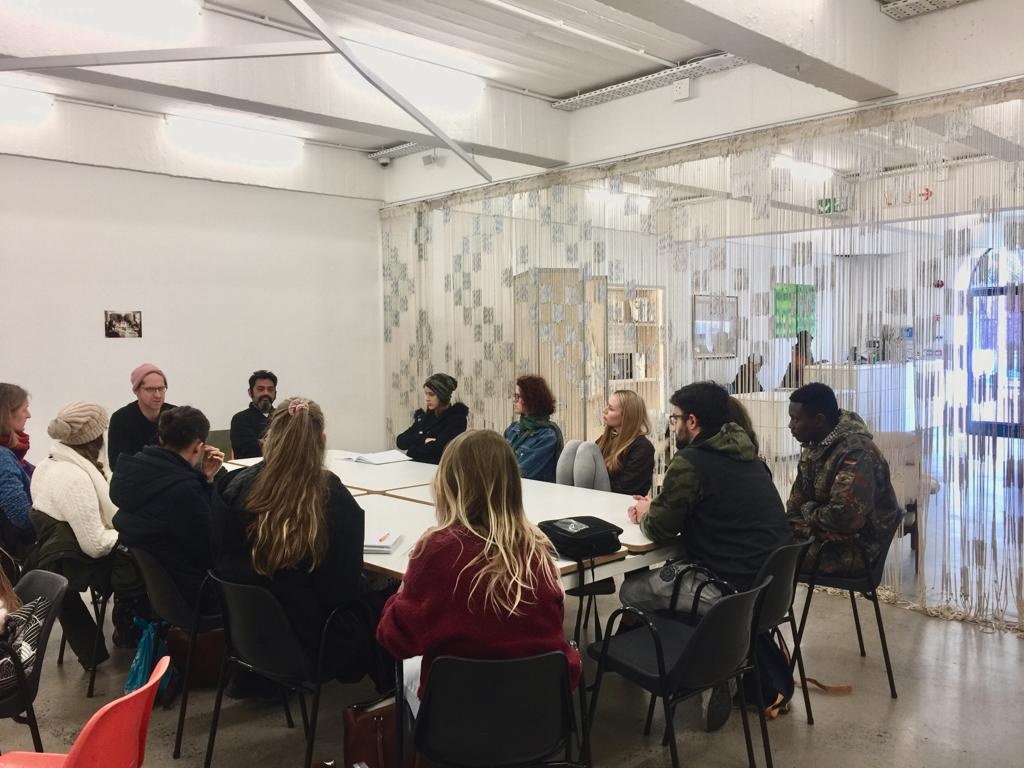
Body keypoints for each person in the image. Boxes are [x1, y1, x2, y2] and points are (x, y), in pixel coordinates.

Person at [376, 430, 580, 715]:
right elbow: (553, 621)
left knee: (407, 671)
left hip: (460, 716)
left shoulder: (437, 551)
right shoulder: (538, 551)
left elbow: (395, 640)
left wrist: (408, 575)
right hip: (540, 711)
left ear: (448, 484)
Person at [211, 397, 394, 691]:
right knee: (390, 602)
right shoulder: (328, 496)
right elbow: (343, 589)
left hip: (249, 634)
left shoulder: (232, 486)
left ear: (270, 437)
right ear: (321, 440)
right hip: (312, 639)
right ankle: (392, 706)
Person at [621, 382, 792, 614]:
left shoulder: (691, 461)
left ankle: (668, 645)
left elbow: (658, 528)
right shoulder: (750, 457)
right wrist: (659, 505)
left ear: (691, 421)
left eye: (675, 419)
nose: (673, 427)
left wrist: (645, 513)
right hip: (772, 588)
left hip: (727, 590)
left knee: (630, 590)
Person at [28, 402, 148, 668]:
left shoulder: (48, 465)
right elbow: (95, 544)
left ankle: (132, 628)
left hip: (63, 557)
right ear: (95, 436)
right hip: (83, 565)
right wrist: (128, 533)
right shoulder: (74, 478)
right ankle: (144, 636)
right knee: (157, 557)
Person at [112, 406, 224, 611]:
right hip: (195, 594)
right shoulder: (182, 491)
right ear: (199, 447)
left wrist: (206, 479)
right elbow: (213, 549)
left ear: (161, 439)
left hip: (160, 592)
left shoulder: (133, 471)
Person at [786, 383, 901, 575]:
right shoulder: (814, 448)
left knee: (768, 557)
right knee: (763, 544)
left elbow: (843, 518)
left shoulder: (856, 452)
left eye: (796, 419)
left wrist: (809, 511)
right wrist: (817, 529)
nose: (791, 425)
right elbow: (793, 508)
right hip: (823, 539)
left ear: (818, 420)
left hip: (858, 549)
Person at [557, 390, 655, 496]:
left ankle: (580, 501)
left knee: (587, 448)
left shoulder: (643, 447)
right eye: (607, 406)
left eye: (611, 409)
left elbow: (626, 489)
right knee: (572, 445)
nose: (604, 411)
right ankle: (564, 497)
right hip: (598, 495)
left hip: (618, 500)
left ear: (627, 416)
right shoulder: (607, 437)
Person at [108, 363, 175, 471]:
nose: (157, 395)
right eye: (150, 389)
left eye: (161, 388)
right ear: (136, 391)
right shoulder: (121, 419)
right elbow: (117, 464)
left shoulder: (176, 415)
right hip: (138, 481)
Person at [395, 373, 469, 465]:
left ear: (442, 395)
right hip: (414, 467)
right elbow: (400, 441)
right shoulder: (424, 417)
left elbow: (438, 450)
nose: (427, 399)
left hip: (436, 470)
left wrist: (413, 444)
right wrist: (424, 440)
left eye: (431, 394)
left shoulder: (456, 419)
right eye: (426, 394)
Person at [0, 384, 35, 567]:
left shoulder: (11, 455)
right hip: (13, 555)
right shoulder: (3, 457)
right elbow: (20, 515)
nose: (29, 415)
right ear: (7, 414)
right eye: (24, 409)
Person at [503, 375, 563, 483]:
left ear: (529, 399)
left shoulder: (547, 436)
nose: (514, 401)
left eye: (517, 396)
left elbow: (521, 473)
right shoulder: (513, 428)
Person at [229, 370, 278, 460]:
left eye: (270, 389)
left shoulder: (282, 417)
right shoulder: (240, 419)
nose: (266, 393)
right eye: (260, 389)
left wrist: (263, 442)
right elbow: (248, 452)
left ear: (275, 394)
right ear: (250, 392)